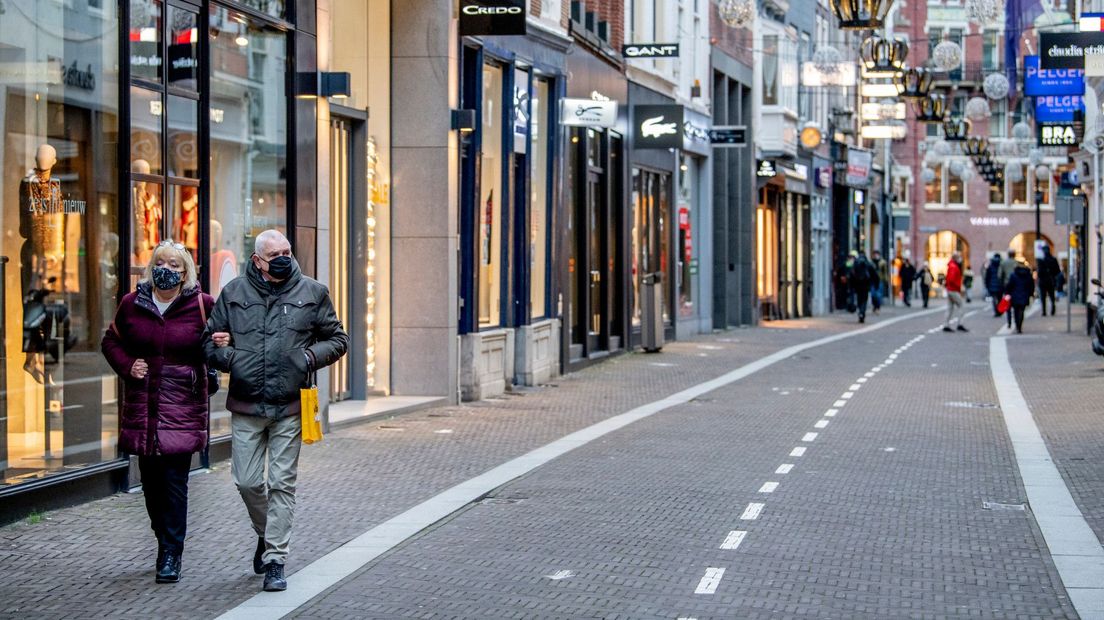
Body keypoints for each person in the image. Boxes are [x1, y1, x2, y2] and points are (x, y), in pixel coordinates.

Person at [204, 230, 349, 592]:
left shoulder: (313, 292)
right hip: (246, 403)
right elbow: (209, 339)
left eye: (286, 251)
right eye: (275, 254)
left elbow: (338, 338)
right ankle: (266, 533)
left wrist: (308, 357)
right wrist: (229, 356)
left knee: (281, 483)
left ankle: (275, 560)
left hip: (290, 406)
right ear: (258, 260)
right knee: (247, 481)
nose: (284, 257)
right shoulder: (234, 293)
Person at [101, 240, 213, 584]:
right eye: (161, 263)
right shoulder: (132, 303)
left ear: (186, 272)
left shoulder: (202, 305)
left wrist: (219, 346)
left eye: (176, 265)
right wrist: (126, 365)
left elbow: (220, 343)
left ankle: (170, 554)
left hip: (183, 405)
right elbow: (111, 341)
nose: (168, 269)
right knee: (151, 482)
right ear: (152, 267)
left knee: (175, 481)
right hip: (144, 405)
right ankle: (162, 535)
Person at [1006, 260, 1036, 333]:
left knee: (1016, 311)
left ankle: (1017, 325)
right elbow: (1031, 285)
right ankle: (1020, 325)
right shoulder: (1028, 274)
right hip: (1024, 295)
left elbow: (1010, 285)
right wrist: (1031, 294)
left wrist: (1007, 292)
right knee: (1022, 311)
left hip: (1015, 295)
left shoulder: (1013, 274)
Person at [849, 250, 878, 323]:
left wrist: (851, 286)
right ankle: (862, 312)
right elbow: (875, 275)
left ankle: (860, 311)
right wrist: (875, 284)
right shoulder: (868, 263)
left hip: (857, 284)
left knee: (859, 298)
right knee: (864, 299)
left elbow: (851, 275)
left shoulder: (855, 263)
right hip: (866, 285)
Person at [942, 252, 968, 332]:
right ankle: (960, 323)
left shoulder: (951, 266)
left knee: (950, 308)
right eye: (959, 257)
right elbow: (952, 279)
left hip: (950, 289)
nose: (960, 259)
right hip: (954, 290)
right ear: (956, 258)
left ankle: (946, 324)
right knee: (961, 306)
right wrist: (958, 287)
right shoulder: (954, 267)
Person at [1037, 245, 1060, 316]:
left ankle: (1044, 311)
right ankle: (1053, 306)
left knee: (1043, 296)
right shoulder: (1053, 259)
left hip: (1043, 281)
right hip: (1051, 280)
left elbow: (1039, 273)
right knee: (1051, 295)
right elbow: (1058, 271)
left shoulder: (1041, 261)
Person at [998, 249, 1019, 329]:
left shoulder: (1003, 263)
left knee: (1008, 303)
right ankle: (1017, 322)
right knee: (1016, 303)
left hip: (1007, 285)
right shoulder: (1017, 263)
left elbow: (999, 275)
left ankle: (1009, 322)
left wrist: (1002, 283)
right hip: (1016, 285)